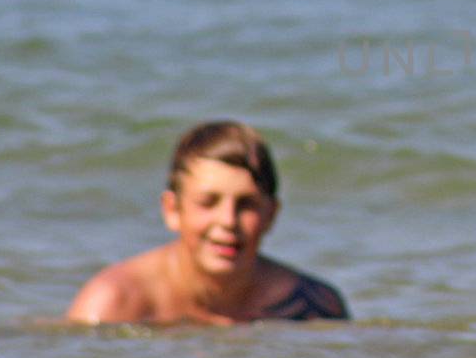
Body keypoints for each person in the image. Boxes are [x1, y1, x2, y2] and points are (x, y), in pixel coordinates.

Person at [66, 120, 347, 325]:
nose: (227, 221)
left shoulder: (315, 308)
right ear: (172, 210)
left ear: (271, 214)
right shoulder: (114, 304)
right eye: (208, 203)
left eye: (246, 204)